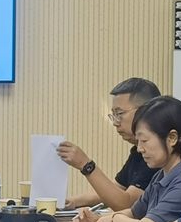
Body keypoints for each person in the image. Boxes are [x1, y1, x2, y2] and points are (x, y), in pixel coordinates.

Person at [87, 96, 181, 222]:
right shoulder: (161, 175)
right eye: (138, 141)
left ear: (172, 138)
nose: (139, 149)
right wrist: (99, 220)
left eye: (144, 140)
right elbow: (134, 213)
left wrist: (115, 219)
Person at [60, 77, 161, 213]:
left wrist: (86, 165)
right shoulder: (138, 151)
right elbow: (117, 188)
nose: (115, 122)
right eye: (113, 115)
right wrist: (72, 201)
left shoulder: (156, 154)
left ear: (146, 112)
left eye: (119, 114)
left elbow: (126, 204)